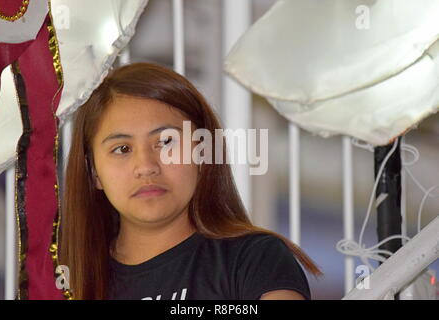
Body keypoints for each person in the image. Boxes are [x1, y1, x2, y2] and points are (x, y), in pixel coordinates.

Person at [59, 62, 322, 300]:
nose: (147, 167)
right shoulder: (64, 281)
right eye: (122, 149)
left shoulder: (255, 260)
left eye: (167, 142)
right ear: (94, 173)